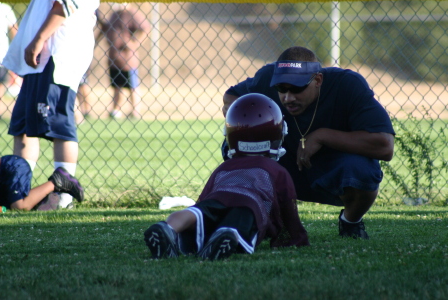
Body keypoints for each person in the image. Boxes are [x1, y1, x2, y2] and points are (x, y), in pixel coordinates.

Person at [222, 46, 395, 240]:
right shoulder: (266, 78)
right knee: (236, 145)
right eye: (281, 89)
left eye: (297, 88)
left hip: (333, 165)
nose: (288, 97)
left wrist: (322, 136)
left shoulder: (347, 84)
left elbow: (384, 145)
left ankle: (350, 221)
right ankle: (265, 217)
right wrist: (257, 125)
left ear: (317, 80)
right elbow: (230, 99)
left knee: (364, 169)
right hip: (283, 163)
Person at [144, 93, 309, 260]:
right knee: (240, 219)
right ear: (276, 134)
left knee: (196, 212)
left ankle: (168, 227)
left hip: (216, 200)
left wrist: (200, 210)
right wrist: (295, 238)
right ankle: (227, 234)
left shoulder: (223, 168)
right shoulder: (276, 170)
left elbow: (202, 201)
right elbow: (289, 210)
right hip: (249, 205)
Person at [2, 0, 99, 208]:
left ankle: (64, 198)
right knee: (23, 128)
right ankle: (21, 194)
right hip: (38, 60)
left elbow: (65, 6)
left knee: (59, 126)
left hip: (57, 55)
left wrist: (39, 39)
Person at [102, 3, 149, 119]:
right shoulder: (114, 14)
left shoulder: (131, 13)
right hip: (114, 58)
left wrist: (134, 43)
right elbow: (107, 28)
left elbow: (145, 28)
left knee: (132, 87)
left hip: (127, 59)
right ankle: (116, 110)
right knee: (117, 86)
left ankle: (135, 111)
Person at [0, 155, 84, 211]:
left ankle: (58, 181)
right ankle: (41, 201)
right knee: (10, 206)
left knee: (19, 206)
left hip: (9, 167)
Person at [0, 1, 18, 119]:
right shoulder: (5, 8)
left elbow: (14, 31)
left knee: (0, 86)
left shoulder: (5, 8)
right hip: (2, 56)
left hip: (2, 56)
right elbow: (15, 31)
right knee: (0, 87)